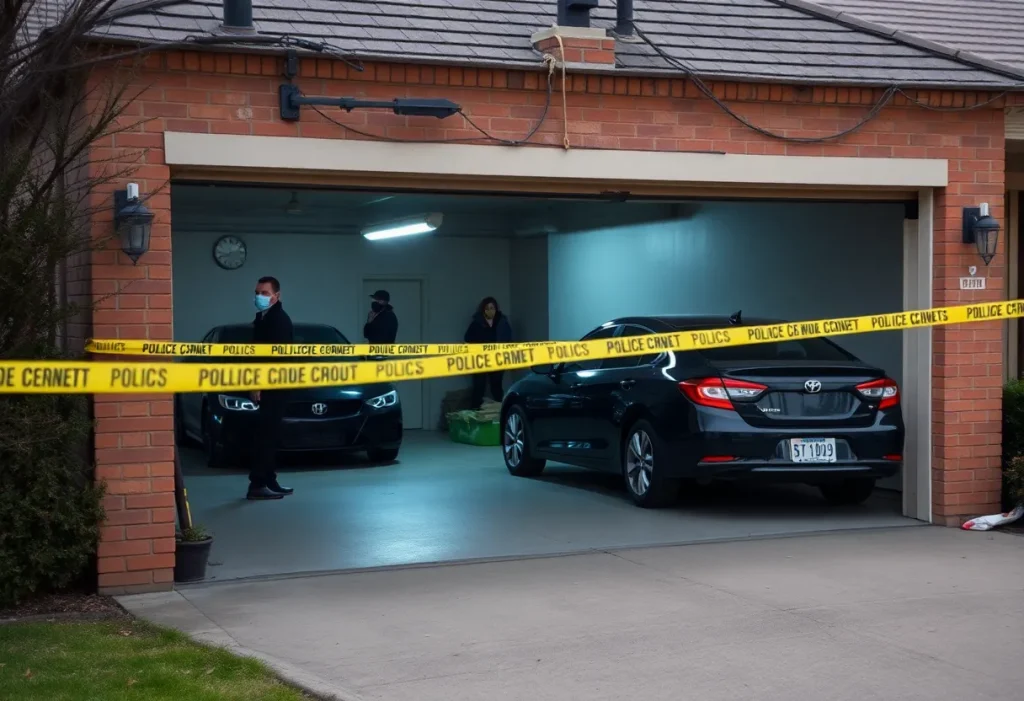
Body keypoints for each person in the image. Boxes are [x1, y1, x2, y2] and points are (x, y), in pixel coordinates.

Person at [247, 276, 294, 501]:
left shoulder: (278, 320)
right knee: (265, 435)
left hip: (274, 385)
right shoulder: (263, 318)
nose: (259, 297)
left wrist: (259, 383)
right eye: (257, 292)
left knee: (268, 436)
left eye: (265, 293)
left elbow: (274, 358)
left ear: (277, 296)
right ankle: (259, 483)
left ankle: (265, 481)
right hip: (267, 385)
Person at [464, 296, 512, 409]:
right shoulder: (477, 323)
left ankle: (500, 412)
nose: (490, 311)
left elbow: (508, 338)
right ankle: (475, 413)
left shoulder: (502, 322)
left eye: (492, 308)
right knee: (479, 387)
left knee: (496, 386)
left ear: (496, 309)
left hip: (497, 359)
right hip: (480, 359)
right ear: (483, 310)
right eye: (487, 308)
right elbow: (467, 338)